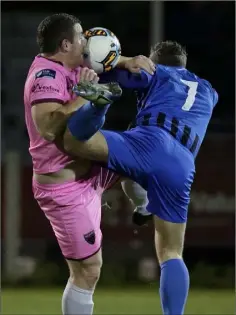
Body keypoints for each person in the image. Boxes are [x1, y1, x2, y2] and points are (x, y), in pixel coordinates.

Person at [62, 40, 219, 315]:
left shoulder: (154, 71)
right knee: (171, 252)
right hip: (182, 162)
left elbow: (114, 71)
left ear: (153, 60)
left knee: (76, 143)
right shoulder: (209, 91)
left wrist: (118, 60)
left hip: (147, 141)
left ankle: (98, 108)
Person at [24, 13, 154, 315]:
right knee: (88, 271)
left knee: (136, 155)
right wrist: (85, 97)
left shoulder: (72, 64)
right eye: (81, 37)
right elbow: (48, 127)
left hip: (91, 169)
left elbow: (104, 59)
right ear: (66, 43)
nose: (87, 41)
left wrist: (128, 59)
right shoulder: (45, 77)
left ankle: (144, 208)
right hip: (64, 190)